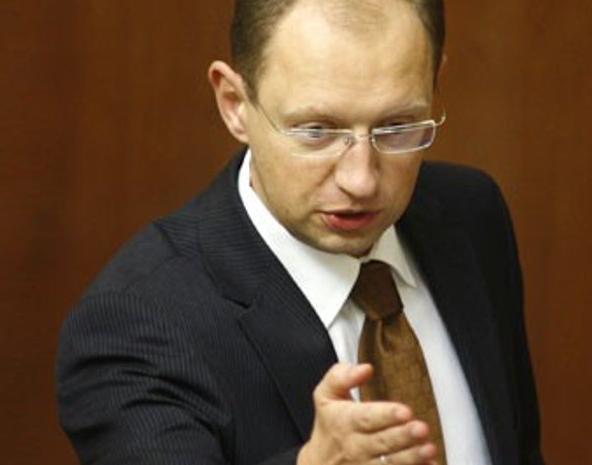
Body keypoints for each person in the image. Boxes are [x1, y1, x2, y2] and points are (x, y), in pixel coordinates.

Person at [56, 0, 544, 464]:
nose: (361, 181)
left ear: (435, 87)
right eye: (316, 131)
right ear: (234, 104)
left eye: (397, 126)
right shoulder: (135, 325)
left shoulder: (470, 217)